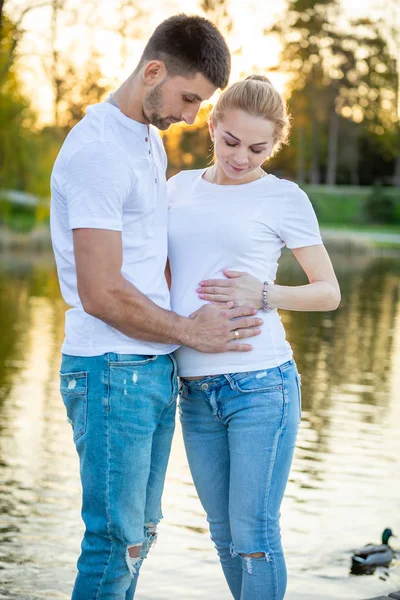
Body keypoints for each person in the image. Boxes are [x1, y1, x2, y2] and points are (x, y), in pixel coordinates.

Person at [50, 16, 264, 600]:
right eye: (188, 98)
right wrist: (191, 331)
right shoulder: (98, 152)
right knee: (115, 539)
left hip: (146, 368)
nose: (192, 116)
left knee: (140, 534)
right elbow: (101, 290)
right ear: (152, 71)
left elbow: (150, 258)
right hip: (110, 368)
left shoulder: (144, 139)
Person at [167, 75, 341, 600]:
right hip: (194, 392)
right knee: (222, 537)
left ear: (276, 144)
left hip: (261, 386)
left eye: (258, 148)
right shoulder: (177, 189)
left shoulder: (284, 197)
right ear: (213, 126)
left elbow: (328, 292)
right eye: (231, 141)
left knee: (255, 537)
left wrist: (264, 293)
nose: (241, 157)